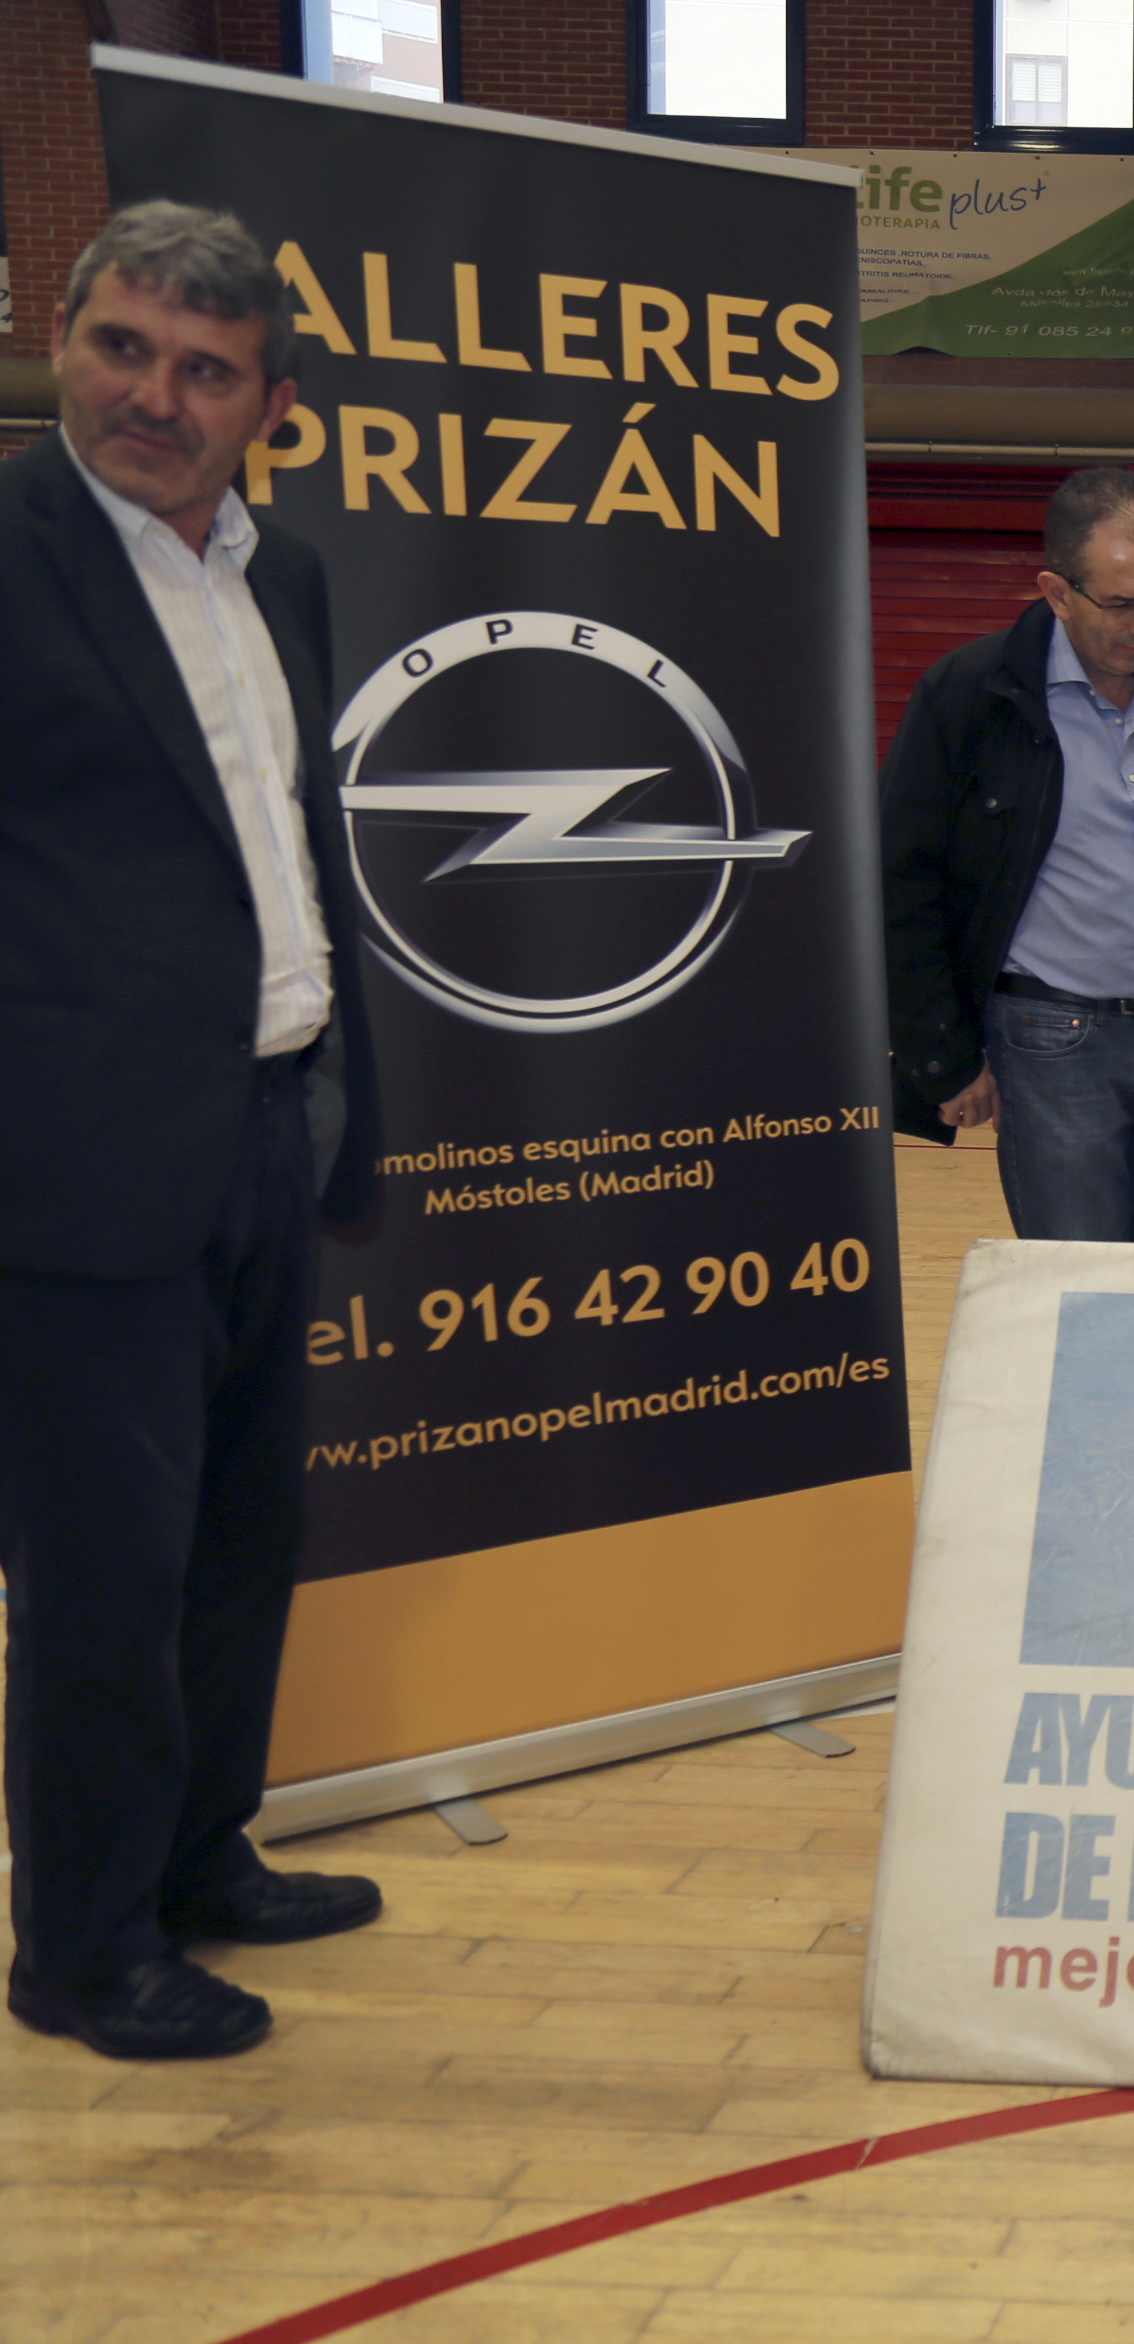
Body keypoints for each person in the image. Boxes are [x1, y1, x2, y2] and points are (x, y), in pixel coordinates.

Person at [0, 205, 387, 2061]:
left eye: (204, 369)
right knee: (102, 1575)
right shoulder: (8, 556)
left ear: (270, 406)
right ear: (62, 337)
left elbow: (280, 839)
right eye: (121, 346)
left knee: (241, 1534)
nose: (153, 394)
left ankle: (199, 1854)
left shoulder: (278, 576)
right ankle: (83, 1947)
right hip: (75, 1167)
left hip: (265, 1128)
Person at [882, 468, 1134, 1241]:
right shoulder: (971, 695)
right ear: (1057, 592)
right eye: (1121, 604)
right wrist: (942, 1055)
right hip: (1048, 1042)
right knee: (1079, 1280)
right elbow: (902, 886)